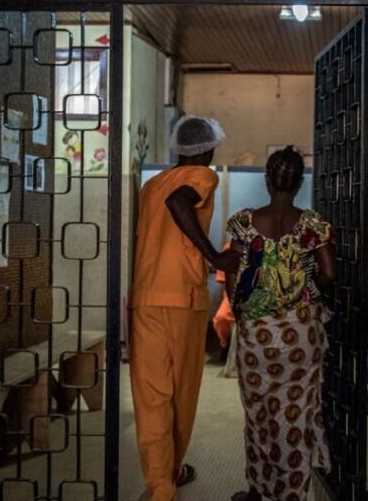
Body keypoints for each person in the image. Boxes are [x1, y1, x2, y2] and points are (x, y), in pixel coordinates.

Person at [129, 115, 243, 501]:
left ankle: (161, 485)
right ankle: (172, 469)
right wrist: (214, 255)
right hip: (183, 299)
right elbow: (179, 203)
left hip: (145, 298)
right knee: (182, 392)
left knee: (151, 394)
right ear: (206, 149)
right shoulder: (203, 176)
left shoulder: (149, 185)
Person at [224, 146, 336, 501]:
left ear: (267, 180)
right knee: (296, 412)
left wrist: (240, 310)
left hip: (256, 335)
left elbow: (231, 273)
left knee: (259, 413)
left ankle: (259, 490)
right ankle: (291, 494)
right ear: (300, 183)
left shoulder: (243, 222)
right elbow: (330, 274)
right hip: (300, 333)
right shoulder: (312, 224)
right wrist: (309, 291)